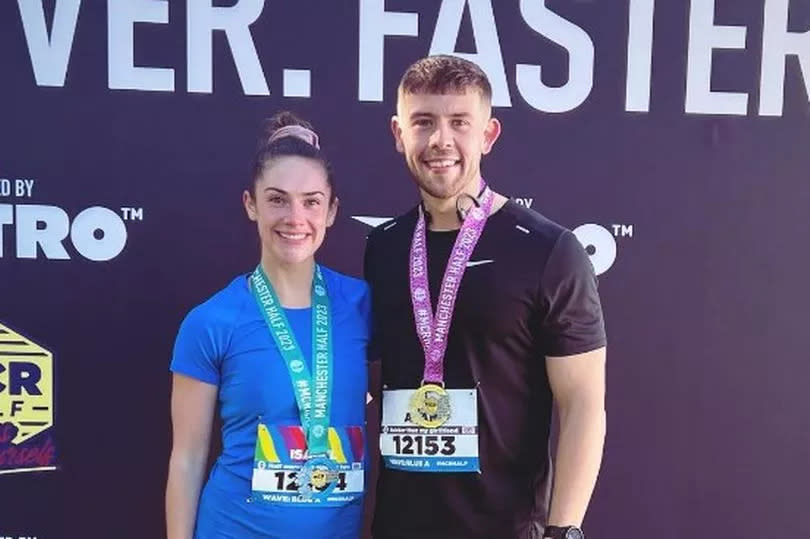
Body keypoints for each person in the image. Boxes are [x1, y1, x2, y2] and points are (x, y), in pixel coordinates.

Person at [364, 55, 607, 539]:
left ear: (488, 135)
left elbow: (583, 403)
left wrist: (564, 531)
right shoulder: (385, 245)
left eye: (459, 123)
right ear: (398, 133)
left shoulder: (547, 250)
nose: (440, 141)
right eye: (423, 122)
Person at [166, 112, 370, 539]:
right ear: (251, 204)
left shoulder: (364, 305)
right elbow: (187, 458)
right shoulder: (211, 321)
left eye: (311, 201)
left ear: (331, 210)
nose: (295, 217)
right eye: (277, 199)